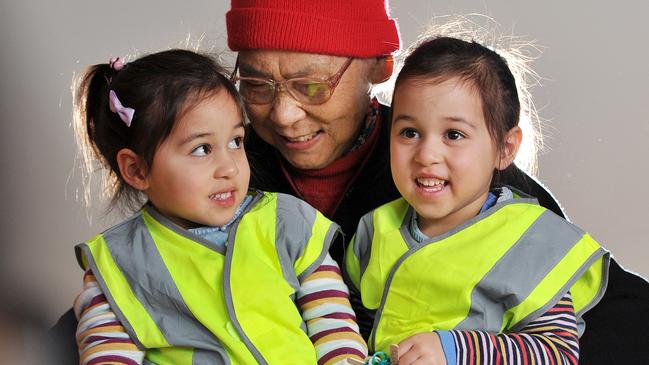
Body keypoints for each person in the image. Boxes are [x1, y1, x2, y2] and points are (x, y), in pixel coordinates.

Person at [223, 2, 649, 364]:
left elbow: (608, 327)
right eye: (257, 85)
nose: (283, 115)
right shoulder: (220, 170)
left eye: (312, 85)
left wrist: (461, 349)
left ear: (379, 67)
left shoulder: (494, 200)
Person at [69, 49, 366, 365]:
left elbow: (334, 325)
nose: (229, 167)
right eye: (201, 149)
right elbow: (107, 355)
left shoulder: (287, 222)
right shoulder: (118, 263)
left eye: (236, 141)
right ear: (137, 170)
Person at [345, 35, 609, 364]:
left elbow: (557, 353)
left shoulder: (531, 242)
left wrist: (456, 350)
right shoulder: (375, 230)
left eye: (454, 135)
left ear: (505, 148)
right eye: (409, 132)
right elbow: (353, 329)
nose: (426, 155)